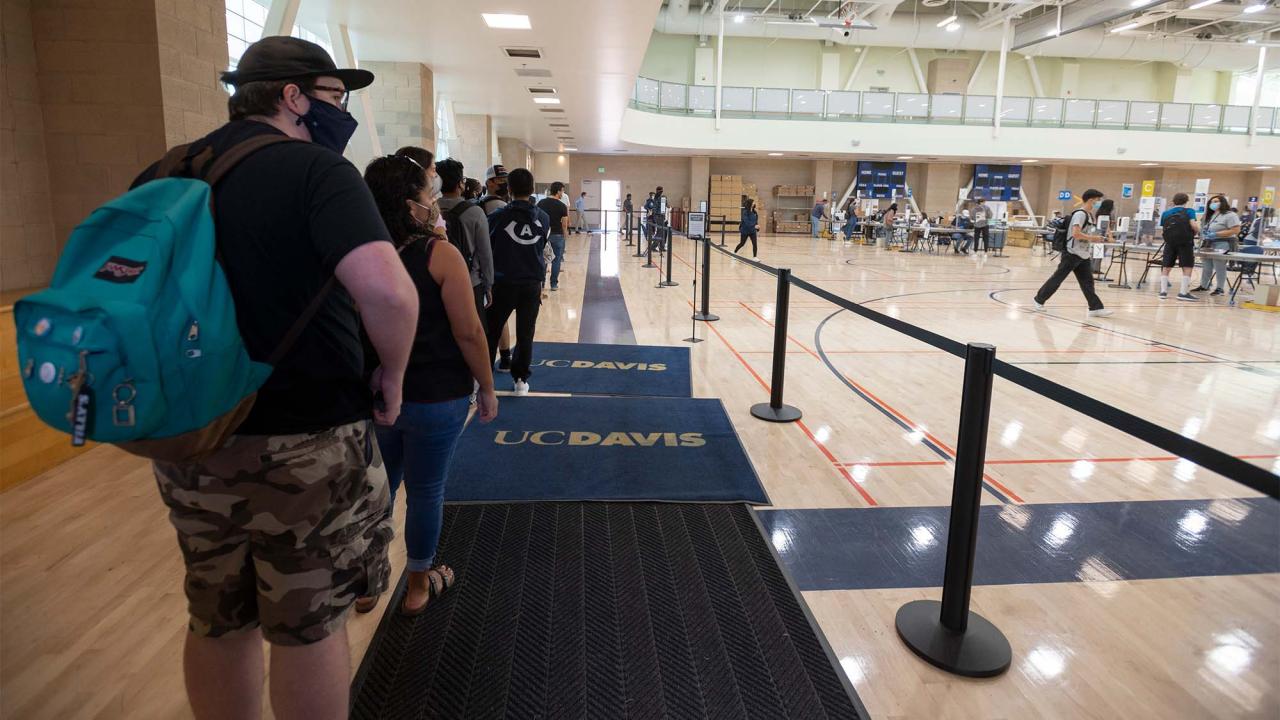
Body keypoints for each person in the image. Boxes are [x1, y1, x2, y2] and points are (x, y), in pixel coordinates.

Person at [134, 36, 419, 719]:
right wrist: (393, 374)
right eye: (332, 95)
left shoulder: (165, 171)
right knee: (308, 622)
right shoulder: (316, 172)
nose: (340, 110)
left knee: (217, 615)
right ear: (293, 96)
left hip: (192, 433)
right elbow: (389, 295)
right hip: (305, 439)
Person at [359, 155, 498, 616]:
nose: (434, 202)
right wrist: (488, 385)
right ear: (410, 203)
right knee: (426, 491)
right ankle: (418, 584)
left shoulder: (358, 253)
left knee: (379, 487)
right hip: (437, 393)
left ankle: (366, 581)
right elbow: (469, 331)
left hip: (376, 394)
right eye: (427, 194)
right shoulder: (439, 254)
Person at [485, 168, 549, 396]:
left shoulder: (496, 217)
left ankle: (482, 382)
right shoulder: (543, 218)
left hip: (503, 282)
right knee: (525, 333)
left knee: (490, 332)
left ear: (509, 190)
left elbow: (488, 249)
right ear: (532, 190)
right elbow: (539, 249)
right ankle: (521, 379)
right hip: (531, 284)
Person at [1033, 188, 1114, 317]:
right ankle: (1039, 299)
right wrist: (1093, 238)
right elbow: (1076, 234)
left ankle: (1095, 308)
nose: (1098, 203)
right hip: (1072, 253)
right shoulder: (1080, 214)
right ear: (1091, 200)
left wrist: (1096, 237)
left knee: (1087, 282)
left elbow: (1085, 232)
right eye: (1097, 201)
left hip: (1083, 254)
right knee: (1058, 278)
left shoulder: (1089, 215)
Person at [435, 157, 494, 321]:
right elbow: (485, 252)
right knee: (473, 331)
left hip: (436, 282)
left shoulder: (430, 209)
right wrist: (488, 285)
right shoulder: (475, 212)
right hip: (470, 282)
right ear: (461, 183)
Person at [1193, 193, 1241, 297]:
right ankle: (1204, 285)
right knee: (1206, 266)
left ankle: (1220, 288)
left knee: (1219, 266)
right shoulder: (1210, 215)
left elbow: (1236, 230)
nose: (1213, 204)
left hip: (1222, 242)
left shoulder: (1230, 215)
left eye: (1216, 202)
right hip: (1208, 243)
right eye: (1211, 202)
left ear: (1222, 203)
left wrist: (1216, 234)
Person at [1158, 192, 1201, 301]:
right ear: (1186, 201)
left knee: (1166, 266)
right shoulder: (1189, 211)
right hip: (1185, 242)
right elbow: (1194, 225)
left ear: (1173, 201)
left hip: (1170, 242)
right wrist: (1196, 233)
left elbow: (1163, 228)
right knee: (1187, 266)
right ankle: (1183, 293)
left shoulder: (1166, 213)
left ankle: (1163, 292)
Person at [538, 182, 571, 290]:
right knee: (556, 260)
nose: (563, 193)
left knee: (544, 259)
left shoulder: (541, 203)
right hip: (557, 235)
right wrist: (565, 235)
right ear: (558, 191)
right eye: (562, 191)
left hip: (544, 235)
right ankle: (553, 284)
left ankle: (542, 284)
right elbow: (564, 224)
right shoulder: (562, 206)